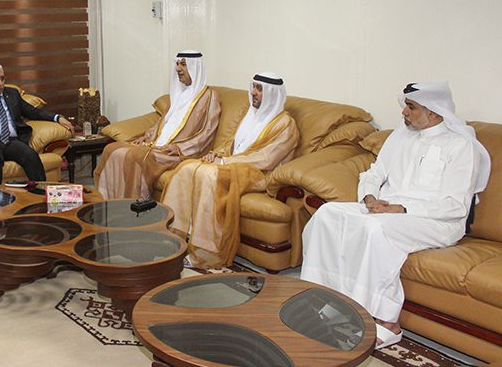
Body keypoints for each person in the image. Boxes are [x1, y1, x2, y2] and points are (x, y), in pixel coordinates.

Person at [300, 82, 491, 350]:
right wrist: (370, 198)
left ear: (433, 111)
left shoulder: (461, 146)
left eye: (411, 107)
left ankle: (387, 322)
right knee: (327, 215)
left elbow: (455, 206)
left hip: (437, 220)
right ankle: (326, 300)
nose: (404, 113)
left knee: (375, 230)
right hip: (387, 209)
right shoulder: (401, 137)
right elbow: (374, 173)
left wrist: (401, 209)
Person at [161, 73, 299, 268]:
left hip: (258, 174)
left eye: (259, 89)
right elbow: (234, 145)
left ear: (272, 94)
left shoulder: (285, 124)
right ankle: (173, 240)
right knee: (187, 168)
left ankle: (204, 252)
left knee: (209, 175)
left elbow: (266, 158)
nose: (253, 92)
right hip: (233, 165)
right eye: (253, 87)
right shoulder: (251, 115)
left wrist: (226, 161)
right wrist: (216, 154)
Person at [94, 51, 221, 200]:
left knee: (138, 156)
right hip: (158, 145)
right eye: (177, 64)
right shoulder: (179, 93)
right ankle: (108, 203)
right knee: (111, 149)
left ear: (195, 68)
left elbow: (207, 133)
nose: (178, 68)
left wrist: (180, 148)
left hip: (178, 152)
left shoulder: (210, 96)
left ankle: (134, 206)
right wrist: (147, 137)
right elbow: (163, 122)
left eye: (183, 64)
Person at [0, 62, 73, 185]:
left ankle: (41, 191)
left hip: (10, 141)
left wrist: (57, 118)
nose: (0, 83)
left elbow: (33, 112)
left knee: (30, 155)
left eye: (2, 78)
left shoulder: (12, 94)